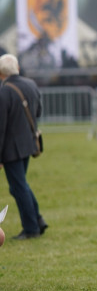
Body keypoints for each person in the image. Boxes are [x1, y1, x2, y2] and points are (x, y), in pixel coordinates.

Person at [0, 54, 47, 240]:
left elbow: (1, 128)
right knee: (20, 186)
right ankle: (37, 219)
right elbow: (38, 111)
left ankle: (31, 228)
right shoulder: (31, 84)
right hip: (28, 144)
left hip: (11, 150)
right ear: (17, 67)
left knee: (18, 187)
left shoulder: (4, 92)